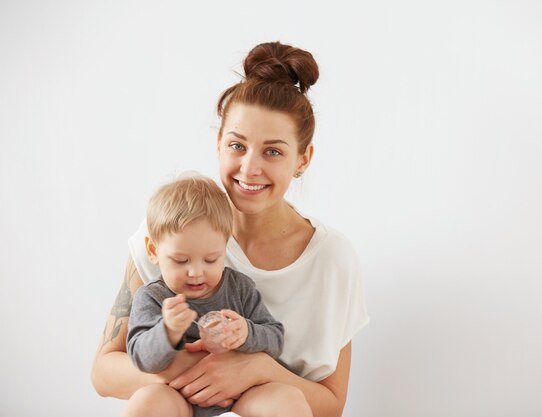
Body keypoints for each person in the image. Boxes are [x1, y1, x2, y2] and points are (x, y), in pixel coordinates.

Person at [92, 41, 369, 417]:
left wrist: (256, 368)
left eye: (273, 151)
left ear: (303, 159)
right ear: (218, 144)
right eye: (237, 145)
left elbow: (332, 404)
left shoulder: (333, 260)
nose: (249, 168)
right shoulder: (171, 231)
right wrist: (191, 368)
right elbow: (104, 373)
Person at [121, 175, 307, 417]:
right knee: (147, 402)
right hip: (181, 401)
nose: (196, 273)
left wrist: (246, 332)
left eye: (211, 259)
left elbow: (276, 339)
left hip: (241, 398)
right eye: (180, 260)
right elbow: (141, 359)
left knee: (289, 399)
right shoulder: (153, 297)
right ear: (153, 250)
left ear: (225, 246)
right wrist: (167, 331)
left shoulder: (238, 288)